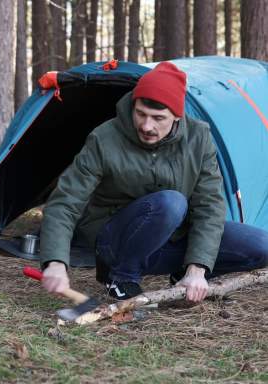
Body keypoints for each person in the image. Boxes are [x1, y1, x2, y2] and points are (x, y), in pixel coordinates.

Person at [37, 62, 268, 303]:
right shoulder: (104, 139)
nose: (147, 126)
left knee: (261, 245)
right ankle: (121, 277)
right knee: (171, 202)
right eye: (141, 114)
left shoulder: (198, 138)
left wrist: (196, 268)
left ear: (177, 116)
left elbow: (209, 206)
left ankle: (182, 279)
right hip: (115, 243)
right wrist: (55, 261)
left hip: (172, 239)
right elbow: (65, 202)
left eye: (158, 118)